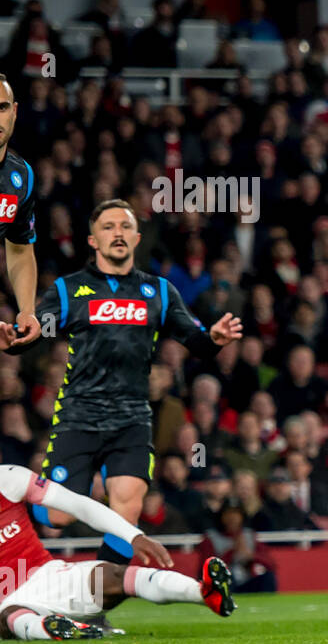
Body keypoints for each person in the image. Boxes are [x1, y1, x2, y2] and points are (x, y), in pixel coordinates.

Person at [4, 199, 242, 564]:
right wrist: (17, 340)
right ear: (92, 241)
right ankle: (15, 497)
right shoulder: (71, 289)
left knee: (126, 513)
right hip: (78, 417)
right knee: (57, 516)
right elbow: (37, 331)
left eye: (125, 226)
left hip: (131, 419)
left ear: (136, 237)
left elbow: (195, 338)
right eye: (108, 227)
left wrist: (214, 338)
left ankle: (95, 602)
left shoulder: (158, 291)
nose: (118, 233)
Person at [0, 463, 235, 641]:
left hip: (46, 575)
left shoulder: (9, 478)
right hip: (4, 600)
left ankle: (205, 593)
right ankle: (52, 629)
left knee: (116, 575)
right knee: (10, 614)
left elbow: (78, 505)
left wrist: (133, 535)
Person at [0, 73, 42, 353]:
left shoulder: (21, 176)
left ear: (14, 112)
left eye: (1, 108)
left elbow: (20, 249)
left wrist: (27, 311)